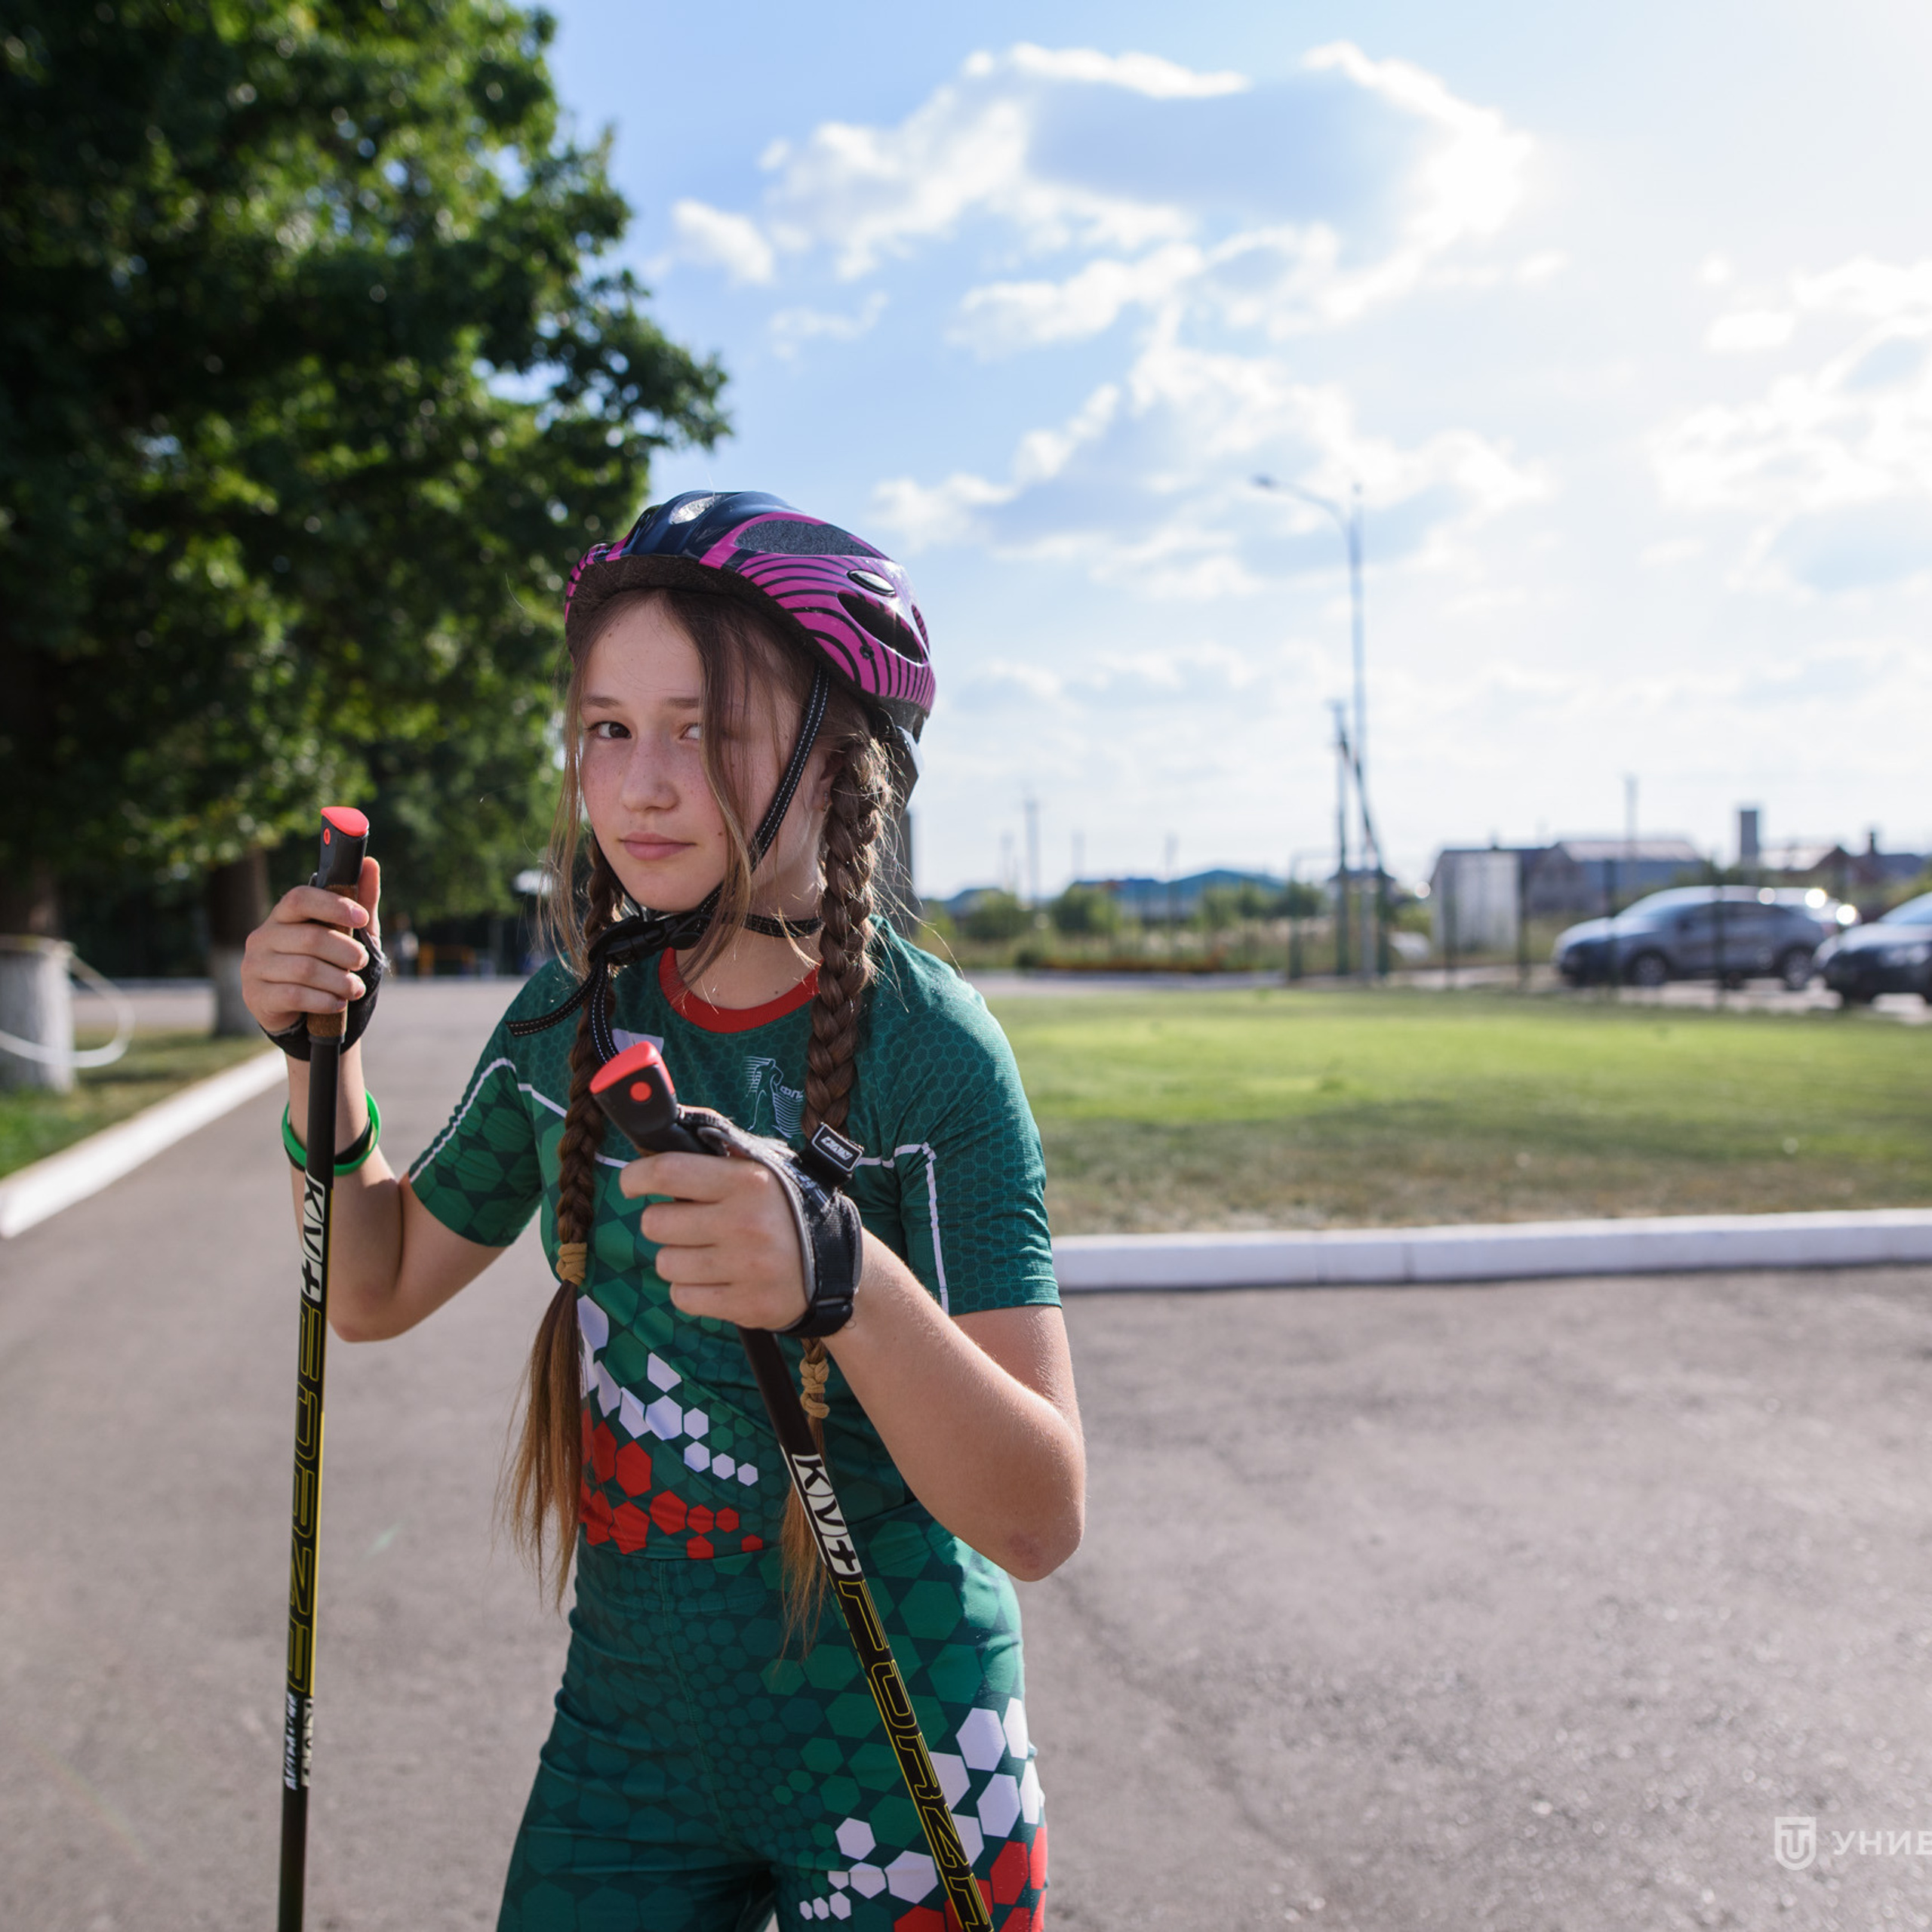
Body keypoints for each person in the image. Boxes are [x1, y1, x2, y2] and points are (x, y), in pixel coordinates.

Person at [242, 490, 1084, 1931]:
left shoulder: (930, 1054)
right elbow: (371, 1285)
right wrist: (334, 1053)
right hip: (633, 1742)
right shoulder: (571, 1013)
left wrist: (844, 1275)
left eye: (708, 729)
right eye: (609, 728)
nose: (640, 784)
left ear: (845, 760)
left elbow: (1038, 1512)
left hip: (903, 1754)